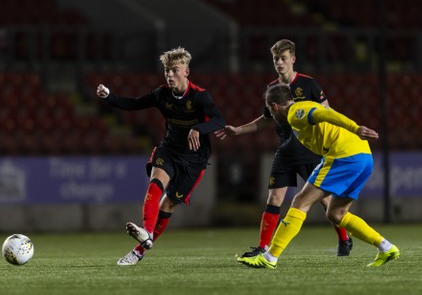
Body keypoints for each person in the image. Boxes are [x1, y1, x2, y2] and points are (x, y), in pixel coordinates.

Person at [238, 83, 400, 269]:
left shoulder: (295, 112)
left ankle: (269, 257)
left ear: (274, 106)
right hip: (362, 156)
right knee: (336, 214)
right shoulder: (300, 109)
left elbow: (325, 113)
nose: (272, 116)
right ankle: (386, 247)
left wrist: (355, 128)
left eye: (270, 110)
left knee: (300, 201)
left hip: (344, 155)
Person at [215, 39, 352, 257]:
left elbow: (328, 113)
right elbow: (266, 119)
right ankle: (263, 247)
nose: (279, 62)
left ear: (293, 59)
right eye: (276, 59)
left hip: (309, 150)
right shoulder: (273, 88)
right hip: (286, 151)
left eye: (283, 58)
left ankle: (344, 239)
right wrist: (239, 130)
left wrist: (331, 143)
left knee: (325, 201)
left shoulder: (309, 85)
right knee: (274, 199)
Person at [96, 47, 225, 266]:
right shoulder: (161, 94)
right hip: (170, 149)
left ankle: (138, 251)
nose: (170, 75)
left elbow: (218, 121)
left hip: (194, 159)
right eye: (167, 71)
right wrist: (109, 96)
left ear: (186, 72)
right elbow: (133, 104)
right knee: (156, 182)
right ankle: (146, 231)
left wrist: (199, 128)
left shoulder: (200, 96)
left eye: (175, 70)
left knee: (167, 206)